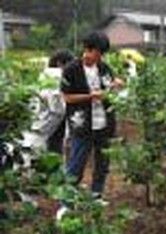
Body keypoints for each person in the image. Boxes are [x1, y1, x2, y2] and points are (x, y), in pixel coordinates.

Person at [60, 32, 123, 202]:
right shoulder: (71, 70)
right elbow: (66, 97)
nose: (100, 56)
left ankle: (96, 195)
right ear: (87, 49)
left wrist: (117, 85)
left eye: (102, 53)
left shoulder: (103, 67)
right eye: (98, 52)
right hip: (82, 124)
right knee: (76, 164)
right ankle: (66, 203)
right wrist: (91, 96)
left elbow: (110, 87)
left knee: (102, 163)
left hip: (104, 123)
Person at [21, 50, 74, 157]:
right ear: (60, 63)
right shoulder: (55, 76)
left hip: (41, 127)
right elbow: (57, 107)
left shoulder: (45, 76)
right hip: (41, 129)